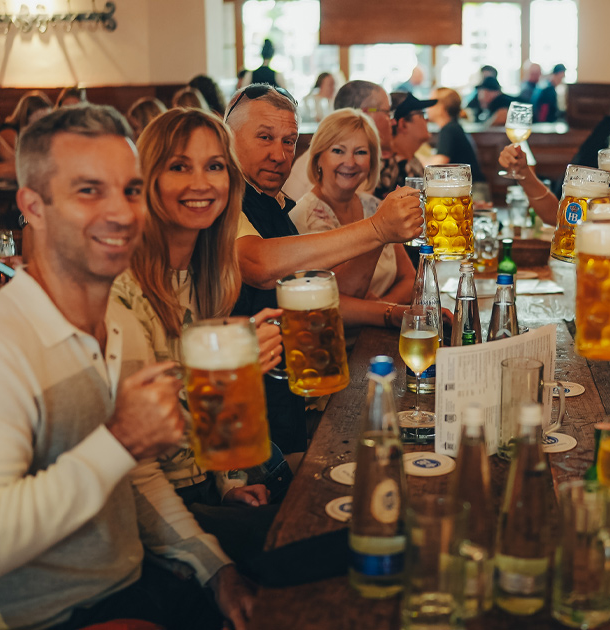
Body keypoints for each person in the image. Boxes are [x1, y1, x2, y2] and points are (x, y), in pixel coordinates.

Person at [0, 104, 254, 630]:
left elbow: (136, 476)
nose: (121, 213)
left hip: (126, 588)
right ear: (33, 206)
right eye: (88, 191)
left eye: (131, 190)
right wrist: (118, 441)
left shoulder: (120, 326)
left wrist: (215, 569)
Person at [110, 107, 284, 566]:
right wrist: (228, 366)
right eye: (179, 166)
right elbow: (137, 448)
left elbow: (215, 421)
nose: (202, 183)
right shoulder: (121, 286)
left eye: (214, 166)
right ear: (146, 179)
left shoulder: (210, 273)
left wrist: (232, 484)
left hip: (203, 482)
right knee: (301, 539)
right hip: (148, 507)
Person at [224, 84, 422, 451]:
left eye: (288, 141)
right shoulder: (225, 199)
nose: (279, 154)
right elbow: (258, 264)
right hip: (242, 414)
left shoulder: (279, 205)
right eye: (265, 137)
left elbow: (326, 293)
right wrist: (377, 228)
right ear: (228, 139)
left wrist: (378, 233)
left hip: (287, 398)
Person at [288, 108, 417, 328]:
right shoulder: (303, 218)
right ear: (318, 158)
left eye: (360, 152)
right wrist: (388, 311)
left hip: (379, 334)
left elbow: (410, 278)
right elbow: (335, 296)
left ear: (372, 162)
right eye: (338, 151)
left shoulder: (375, 206)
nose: (350, 161)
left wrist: (383, 308)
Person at [426, 87, 485, 182]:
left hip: (473, 190)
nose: (427, 108)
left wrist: (413, 159)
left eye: (431, 103)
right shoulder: (454, 127)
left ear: (440, 108)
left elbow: (435, 167)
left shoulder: (449, 129)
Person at [389, 92, 435, 180]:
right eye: (422, 115)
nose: (427, 119)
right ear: (403, 124)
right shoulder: (388, 170)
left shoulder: (412, 161)